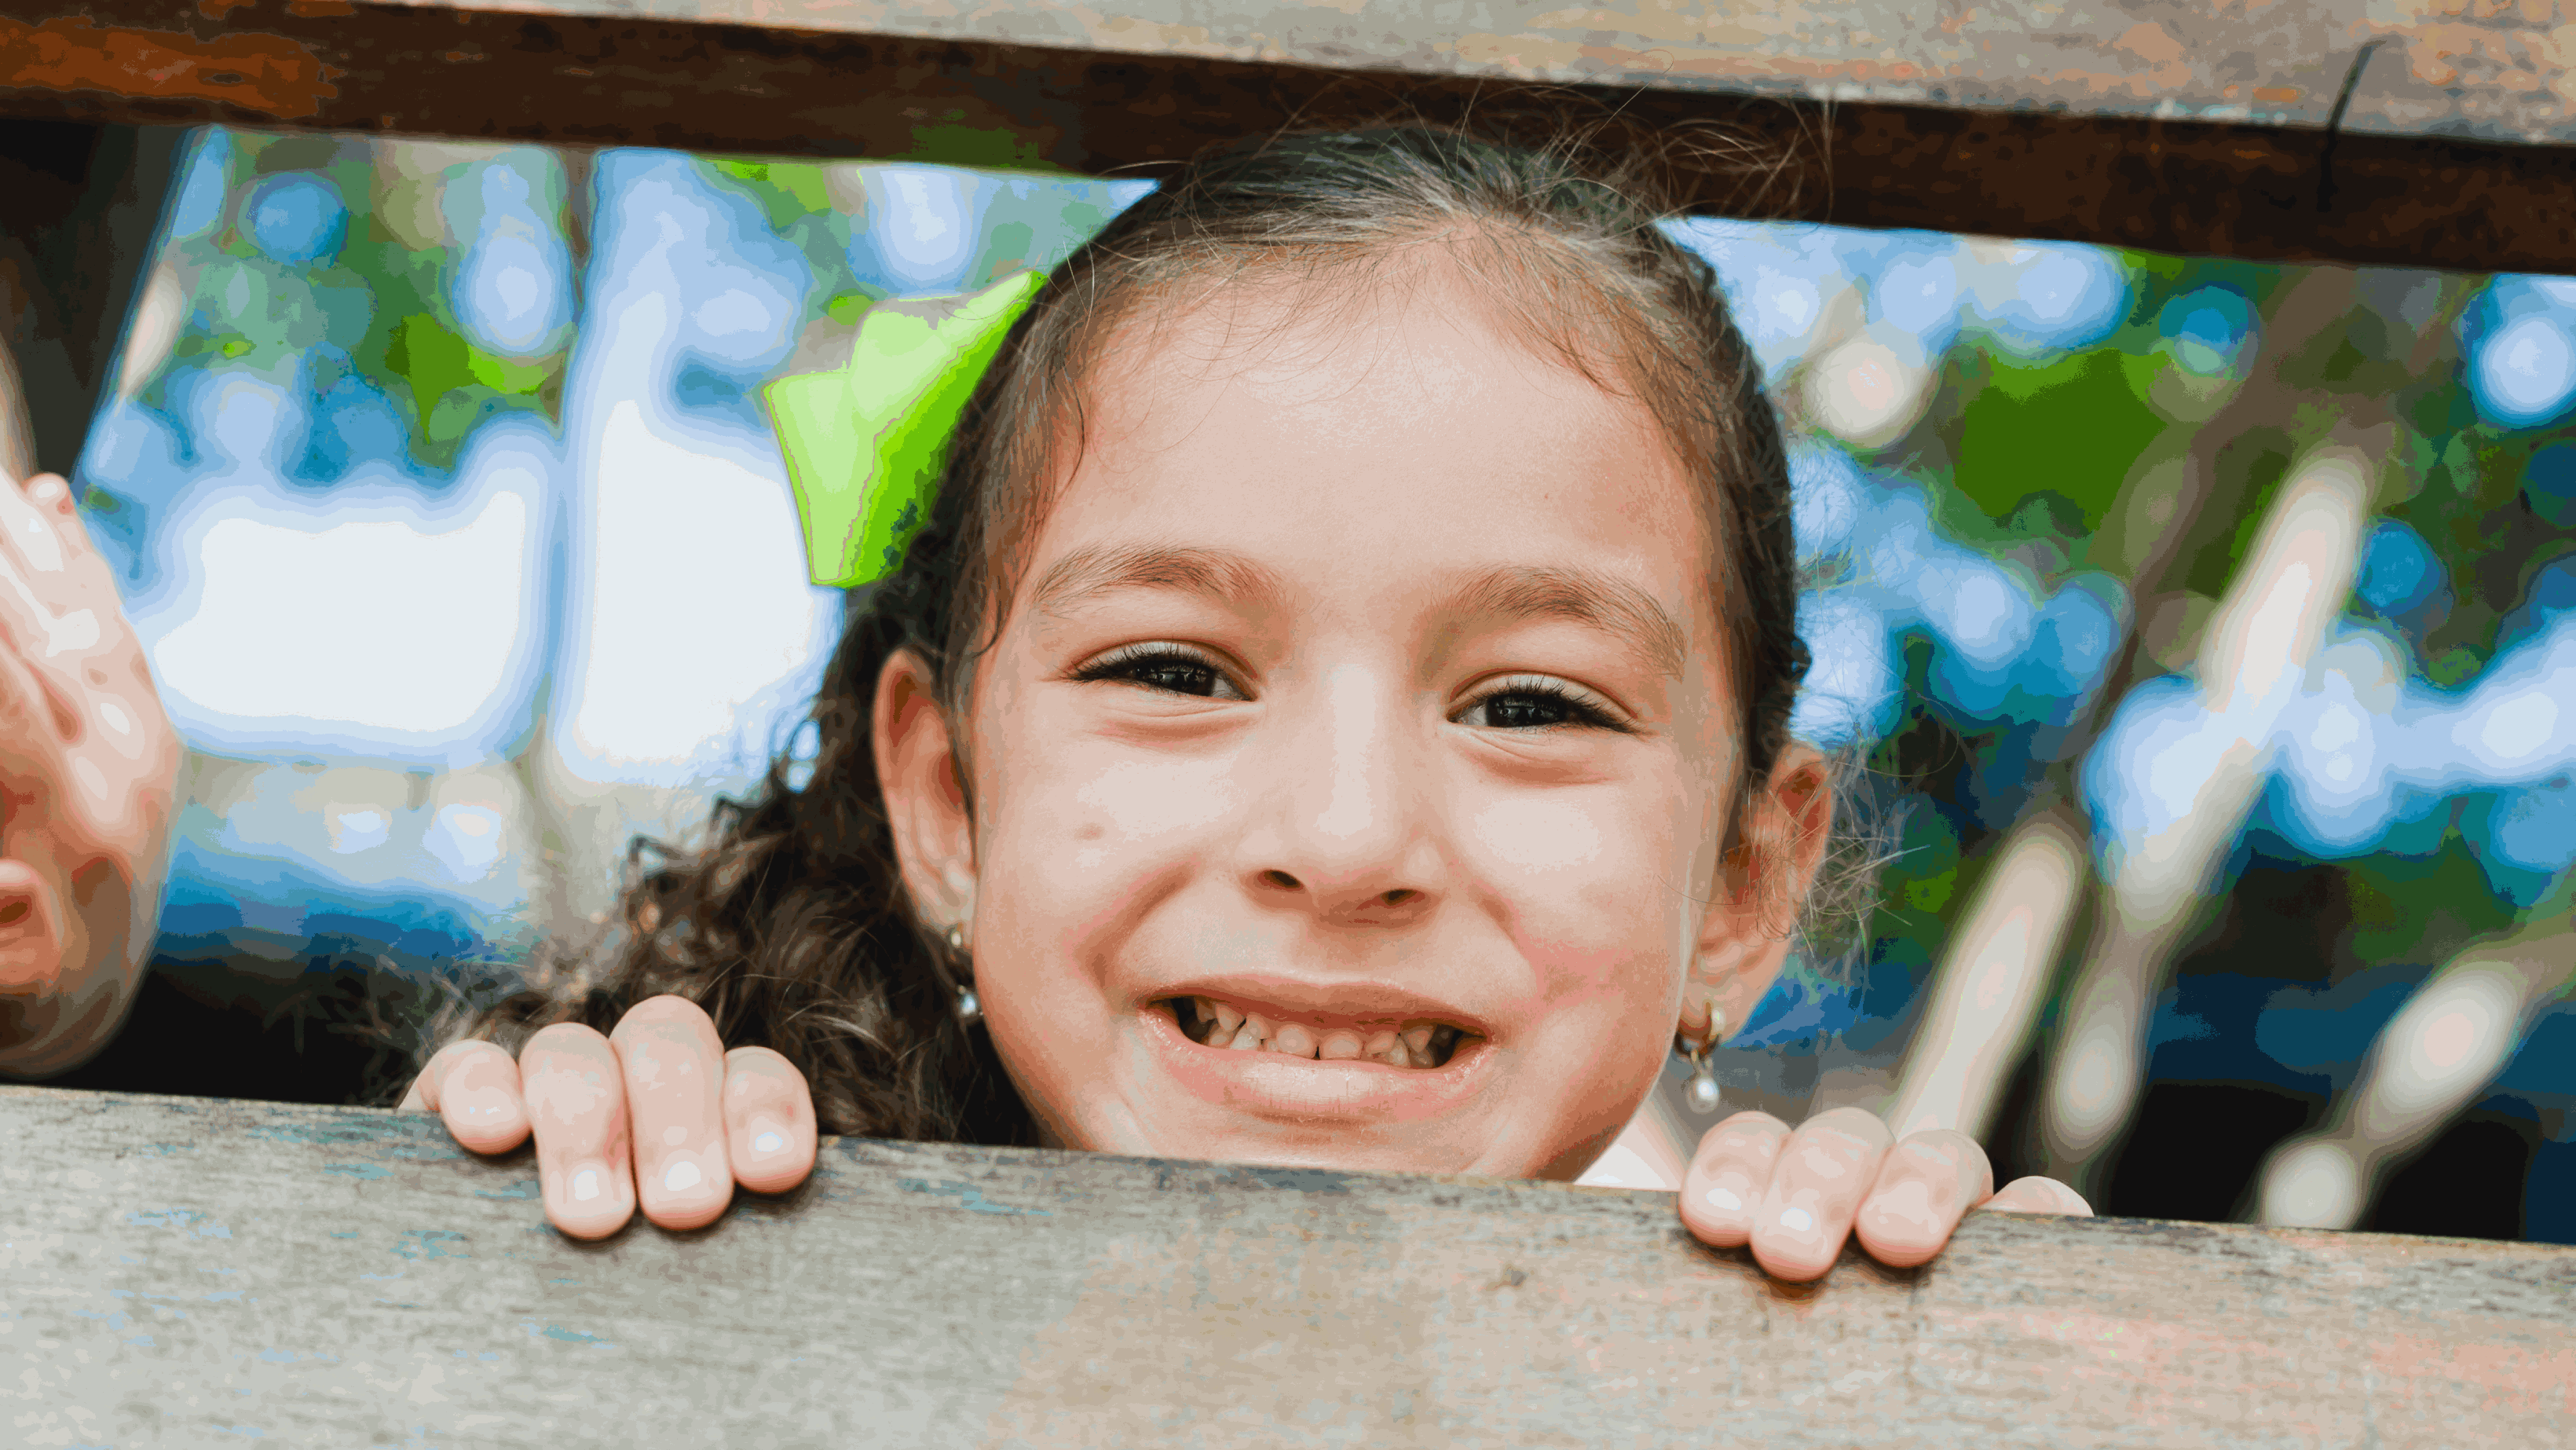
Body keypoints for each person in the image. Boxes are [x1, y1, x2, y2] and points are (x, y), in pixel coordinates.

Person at [16, 117, 2092, 1284]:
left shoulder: (1829, 1323)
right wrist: (520, 1274)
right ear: (946, 796)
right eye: (1174, 668)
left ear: (1743, 884)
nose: (1349, 836)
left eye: (1532, 702)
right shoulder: (696, 1216)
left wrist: (1988, 1364)